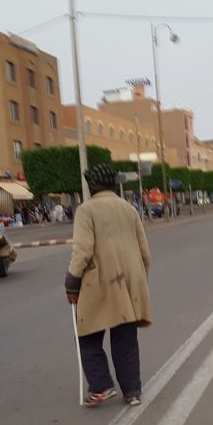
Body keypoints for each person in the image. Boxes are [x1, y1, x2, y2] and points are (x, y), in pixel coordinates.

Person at [65, 164, 152, 408]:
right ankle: (132, 391)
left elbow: (83, 250)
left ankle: (101, 385)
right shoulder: (129, 209)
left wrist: (72, 281)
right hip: (129, 281)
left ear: (92, 184)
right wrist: (139, 279)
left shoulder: (86, 210)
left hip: (99, 282)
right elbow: (145, 252)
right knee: (125, 339)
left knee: (88, 336)